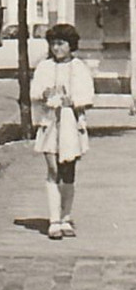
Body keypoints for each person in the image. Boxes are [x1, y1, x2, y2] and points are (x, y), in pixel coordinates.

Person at [30, 23, 94, 240]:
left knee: (68, 171)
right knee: (53, 170)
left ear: (70, 45)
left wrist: (73, 100)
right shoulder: (44, 67)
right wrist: (45, 93)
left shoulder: (79, 68)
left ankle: (66, 217)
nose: (57, 48)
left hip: (71, 126)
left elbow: (87, 96)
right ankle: (54, 220)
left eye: (61, 44)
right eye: (53, 44)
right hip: (49, 125)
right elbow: (35, 93)